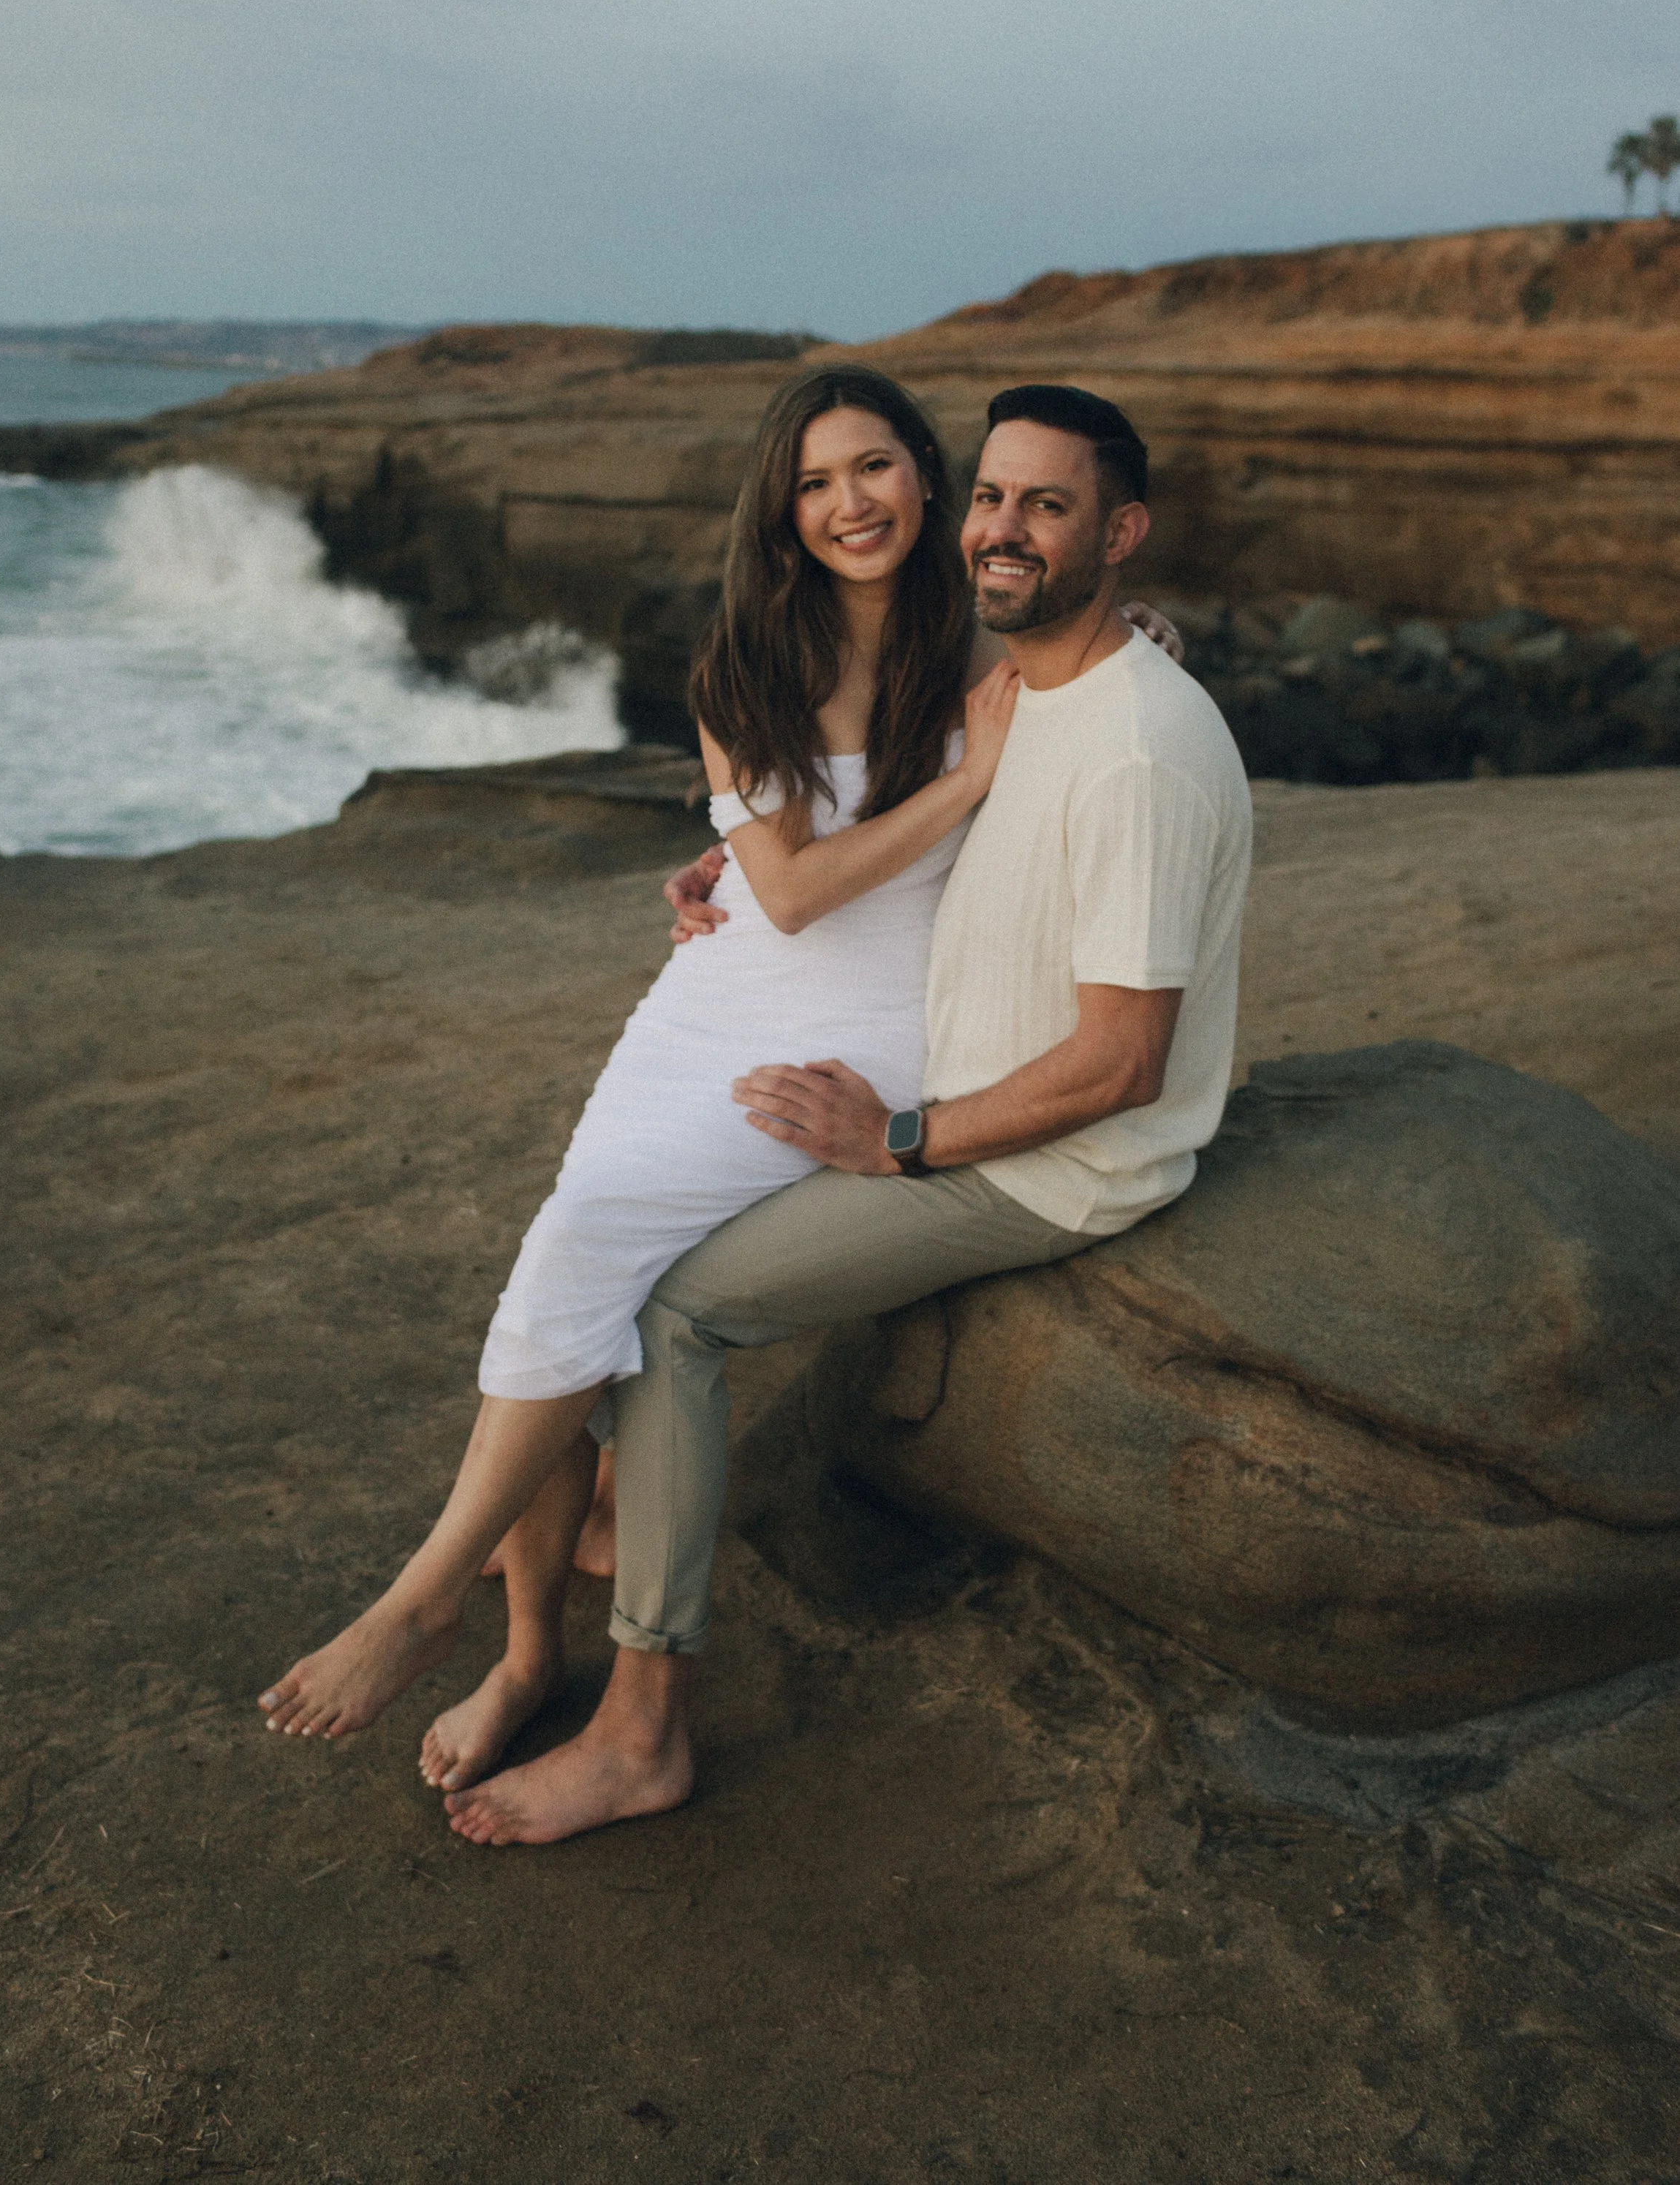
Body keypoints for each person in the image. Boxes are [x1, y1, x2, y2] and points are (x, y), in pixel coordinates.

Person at [258, 364, 1178, 1766]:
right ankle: (522, 1660)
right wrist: (938, 793)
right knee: (569, 1262)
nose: (848, 502)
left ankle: (428, 1598)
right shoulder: (742, 668)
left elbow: (1099, 687)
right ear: (782, 510)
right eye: (814, 483)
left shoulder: (987, 637)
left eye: (874, 467)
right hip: (715, 995)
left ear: (925, 480)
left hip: (866, 1023)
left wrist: (1144, 640)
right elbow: (793, 891)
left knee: (585, 1254)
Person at [443, 380, 1253, 1848]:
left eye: (1046, 506)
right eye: (994, 499)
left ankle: (637, 1734)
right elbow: (838, 836)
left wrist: (894, 1140)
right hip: (921, 1066)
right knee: (611, 1257)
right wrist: (724, 866)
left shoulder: (1130, 740)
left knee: (673, 1310)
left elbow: (1121, 1066)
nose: (1003, 530)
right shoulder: (1022, 673)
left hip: (1038, 1154)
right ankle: (603, 1546)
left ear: (1116, 533)